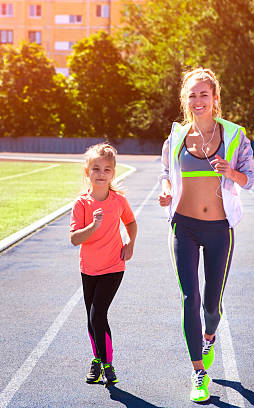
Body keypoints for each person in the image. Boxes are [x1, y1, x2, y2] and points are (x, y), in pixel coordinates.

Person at [158, 68, 254, 402]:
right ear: (184, 100)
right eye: (192, 95)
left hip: (219, 230)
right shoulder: (174, 138)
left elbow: (249, 179)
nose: (198, 101)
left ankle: (210, 335)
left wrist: (232, 172)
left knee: (211, 305)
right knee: (190, 298)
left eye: (204, 95)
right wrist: (166, 190)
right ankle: (199, 372)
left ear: (215, 99)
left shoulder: (234, 135)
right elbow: (165, 175)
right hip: (183, 227)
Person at [70, 143, 138, 386]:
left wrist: (129, 244)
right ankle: (97, 360)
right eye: (96, 168)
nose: (101, 173)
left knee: (98, 314)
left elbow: (130, 223)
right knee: (91, 318)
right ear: (87, 172)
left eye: (107, 169)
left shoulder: (118, 201)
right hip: (88, 268)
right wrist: (93, 227)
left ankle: (107, 364)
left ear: (113, 173)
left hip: (113, 266)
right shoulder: (81, 204)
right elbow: (74, 238)